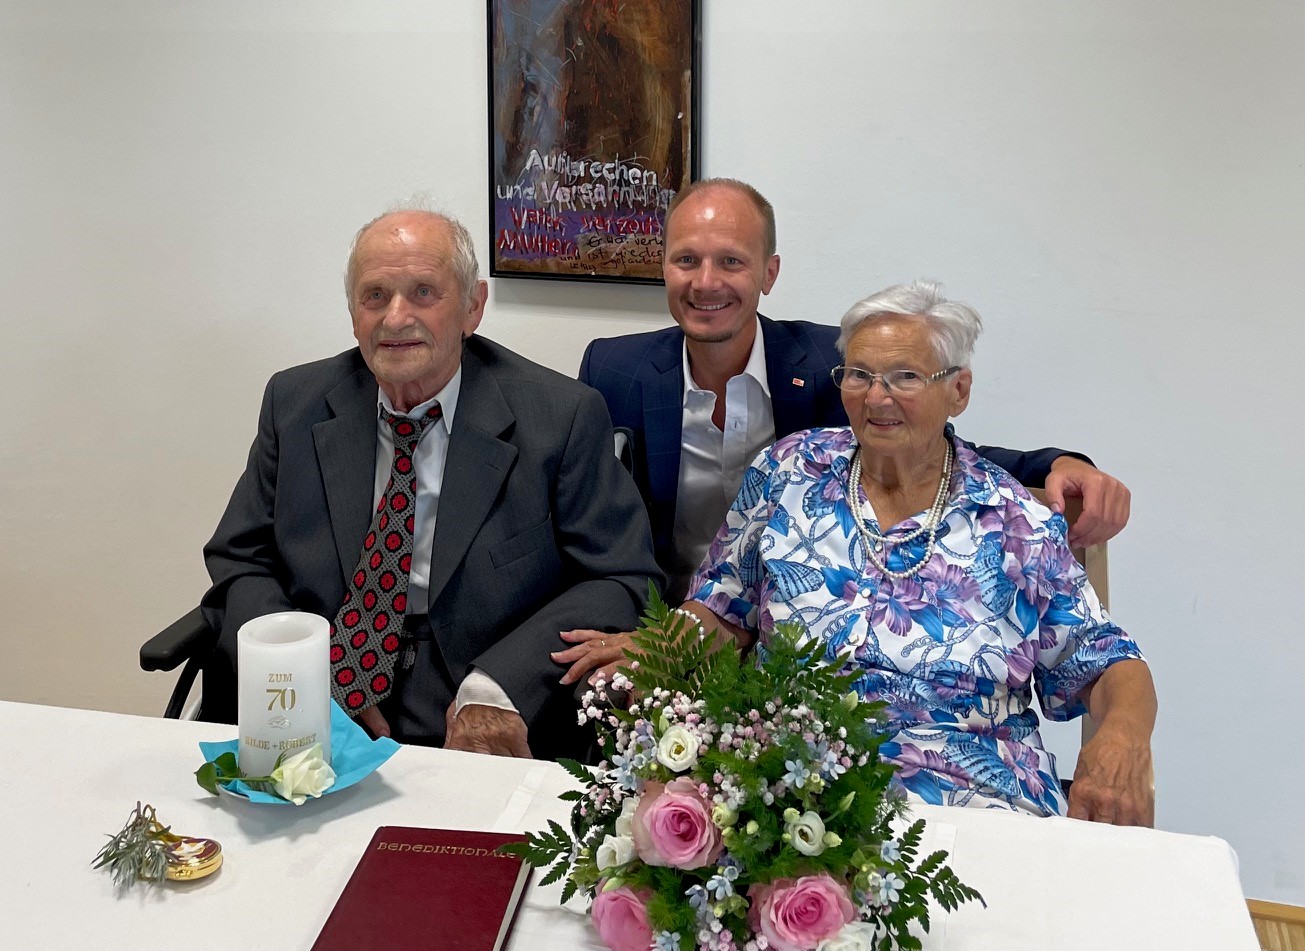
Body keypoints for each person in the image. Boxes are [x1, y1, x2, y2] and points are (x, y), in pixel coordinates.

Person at [660, 281, 1157, 822]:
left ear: (959, 392)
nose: (877, 398)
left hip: (973, 798)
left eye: (905, 377)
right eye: (859, 375)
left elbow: (1109, 663)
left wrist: (1125, 737)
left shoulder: (1016, 522)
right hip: (790, 784)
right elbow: (720, 607)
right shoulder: (789, 471)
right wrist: (648, 655)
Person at [201, 206, 661, 760]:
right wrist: (298, 667)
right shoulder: (294, 404)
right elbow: (241, 558)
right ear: (352, 313)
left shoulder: (559, 417)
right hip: (320, 688)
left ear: (473, 307)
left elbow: (623, 577)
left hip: (482, 683)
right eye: (375, 296)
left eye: (424, 293)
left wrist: (500, 684)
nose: (396, 318)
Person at [574, 179, 1131, 607]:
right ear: (663, 267)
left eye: (732, 262)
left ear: (769, 273)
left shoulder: (833, 365)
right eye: (686, 260)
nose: (706, 282)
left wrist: (1058, 462)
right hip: (663, 622)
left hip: (792, 624)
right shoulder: (613, 369)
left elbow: (931, 450)